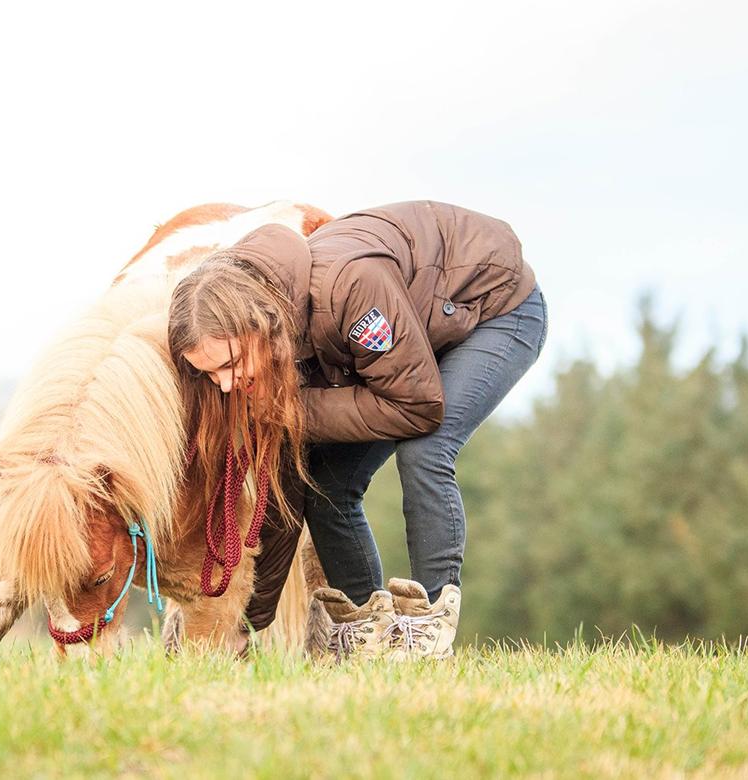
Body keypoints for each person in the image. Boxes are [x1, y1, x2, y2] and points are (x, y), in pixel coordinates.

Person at [167, 200, 547, 660]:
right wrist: (244, 623)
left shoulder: (349, 287)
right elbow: (286, 483)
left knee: (425, 450)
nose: (226, 384)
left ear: (261, 325)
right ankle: (361, 631)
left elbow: (417, 406)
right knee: (325, 482)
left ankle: (427, 627)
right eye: (210, 374)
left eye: (229, 364)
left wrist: (292, 410)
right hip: (412, 338)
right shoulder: (266, 333)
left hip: (491, 310)